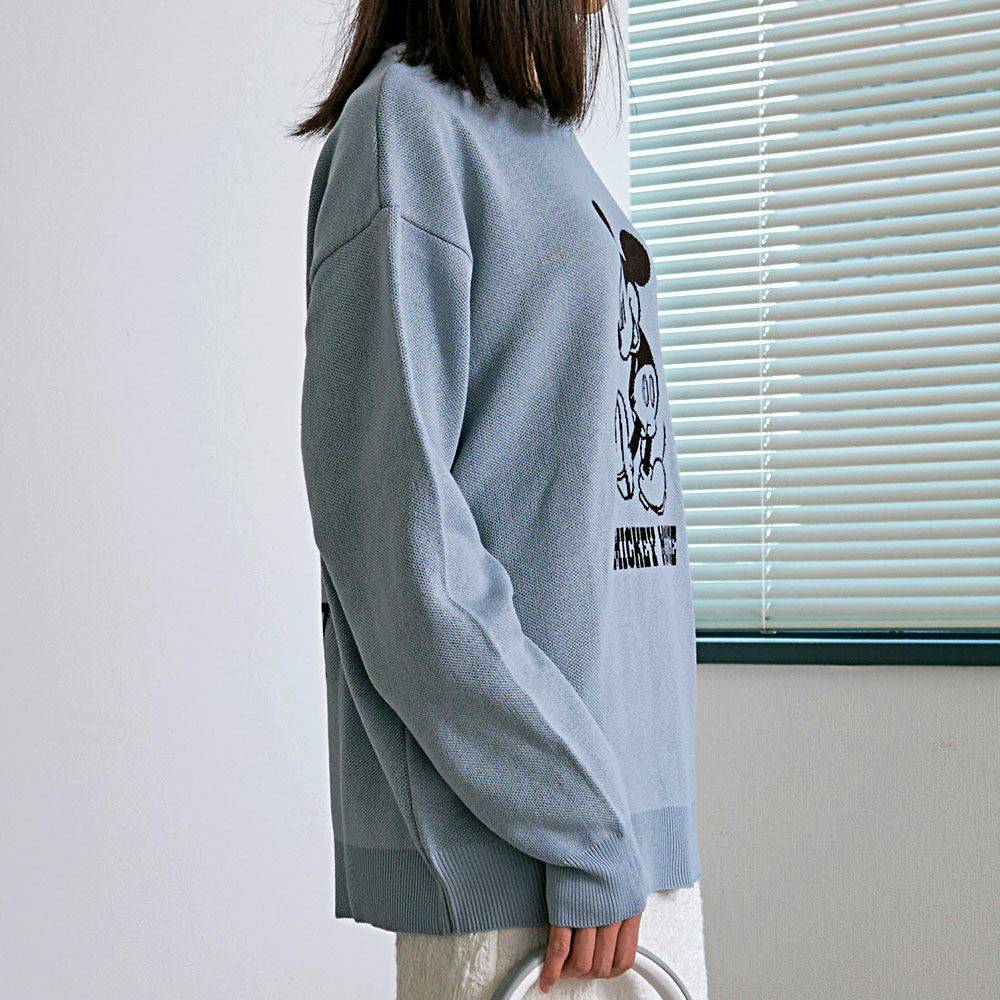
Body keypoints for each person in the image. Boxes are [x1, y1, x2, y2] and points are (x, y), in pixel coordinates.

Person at [291, 3, 707, 997]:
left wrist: (619, 829)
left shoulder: (547, 144)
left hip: (627, 845)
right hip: (531, 861)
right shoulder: (406, 126)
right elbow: (399, 542)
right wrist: (581, 826)